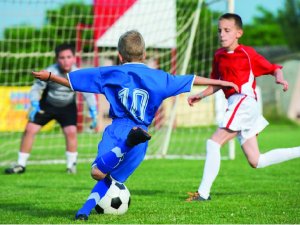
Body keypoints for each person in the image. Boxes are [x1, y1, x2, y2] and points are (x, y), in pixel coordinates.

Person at [30, 30, 238, 220]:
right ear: (144, 54)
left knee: (97, 172)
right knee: (110, 179)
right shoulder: (160, 78)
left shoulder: (111, 73)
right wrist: (222, 82)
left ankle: (125, 145)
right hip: (143, 135)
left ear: (120, 56)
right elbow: (192, 80)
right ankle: (84, 211)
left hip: (119, 130)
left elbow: (74, 82)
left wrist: (50, 77)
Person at [186, 13, 300, 202]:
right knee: (257, 160)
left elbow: (273, 68)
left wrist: (280, 78)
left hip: (244, 102)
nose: (222, 34)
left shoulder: (247, 53)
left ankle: (203, 193)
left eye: (227, 30)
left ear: (239, 33)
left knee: (213, 142)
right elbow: (218, 82)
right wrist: (200, 95)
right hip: (238, 105)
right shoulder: (219, 56)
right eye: (219, 30)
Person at [4, 43, 98, 175]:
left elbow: (88, 93)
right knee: (29, 129)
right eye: (62, 57)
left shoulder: (78, 74)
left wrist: (93, 111)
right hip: (47, 104)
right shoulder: (50, 72)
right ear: (56, 59)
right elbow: (37, 88)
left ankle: (71, 166)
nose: (65, 61)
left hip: (67, 106)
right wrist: (35, 103)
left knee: (71, 132)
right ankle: (20, 164)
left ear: (74, 58)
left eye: (68, 57)